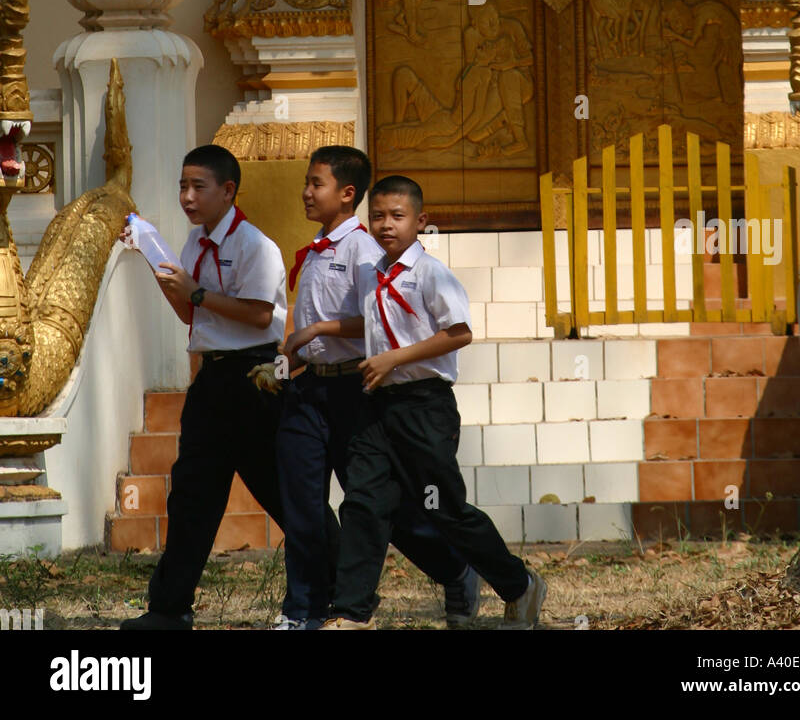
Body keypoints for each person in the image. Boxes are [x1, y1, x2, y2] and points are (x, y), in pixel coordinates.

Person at [319, 174, 547, 630]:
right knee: (363, 501)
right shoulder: (371, 273)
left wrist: (393, 359)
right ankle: (350, 613)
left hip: (424, 406)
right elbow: (366, 323)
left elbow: (459, 333)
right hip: (376, 404)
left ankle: (518, 583)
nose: (387, 225)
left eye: (398, 217)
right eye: (378, 216)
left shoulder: (431, 274)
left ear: (420, 221)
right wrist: (313, 335)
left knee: (442, 508)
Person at [274, 145, 478, 631]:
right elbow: (305, 327)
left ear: (347, 194)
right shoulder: (315, 249)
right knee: (301, 502)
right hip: (307, 392)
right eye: (306, 181)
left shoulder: (367, 252)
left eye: (315, 183)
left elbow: (371, 323)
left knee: (382, 507)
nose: (305, 192)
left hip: (354, 392)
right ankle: (305, 609)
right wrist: (286, 362)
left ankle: (454, 569)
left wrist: (320, 330)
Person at [120, 144, 287, 631]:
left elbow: (259, 315)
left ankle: (340, 592)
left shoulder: (256, 245)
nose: (187, 197)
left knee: (284, 493)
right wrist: (166, 278)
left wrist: (195, 291)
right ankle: (169, 609)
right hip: (212, 378)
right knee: (191, 495)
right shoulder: (194, 242)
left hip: (256, 378)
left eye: (198, 186)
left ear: (228, 190)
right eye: (182, 186)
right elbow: (195, 315)